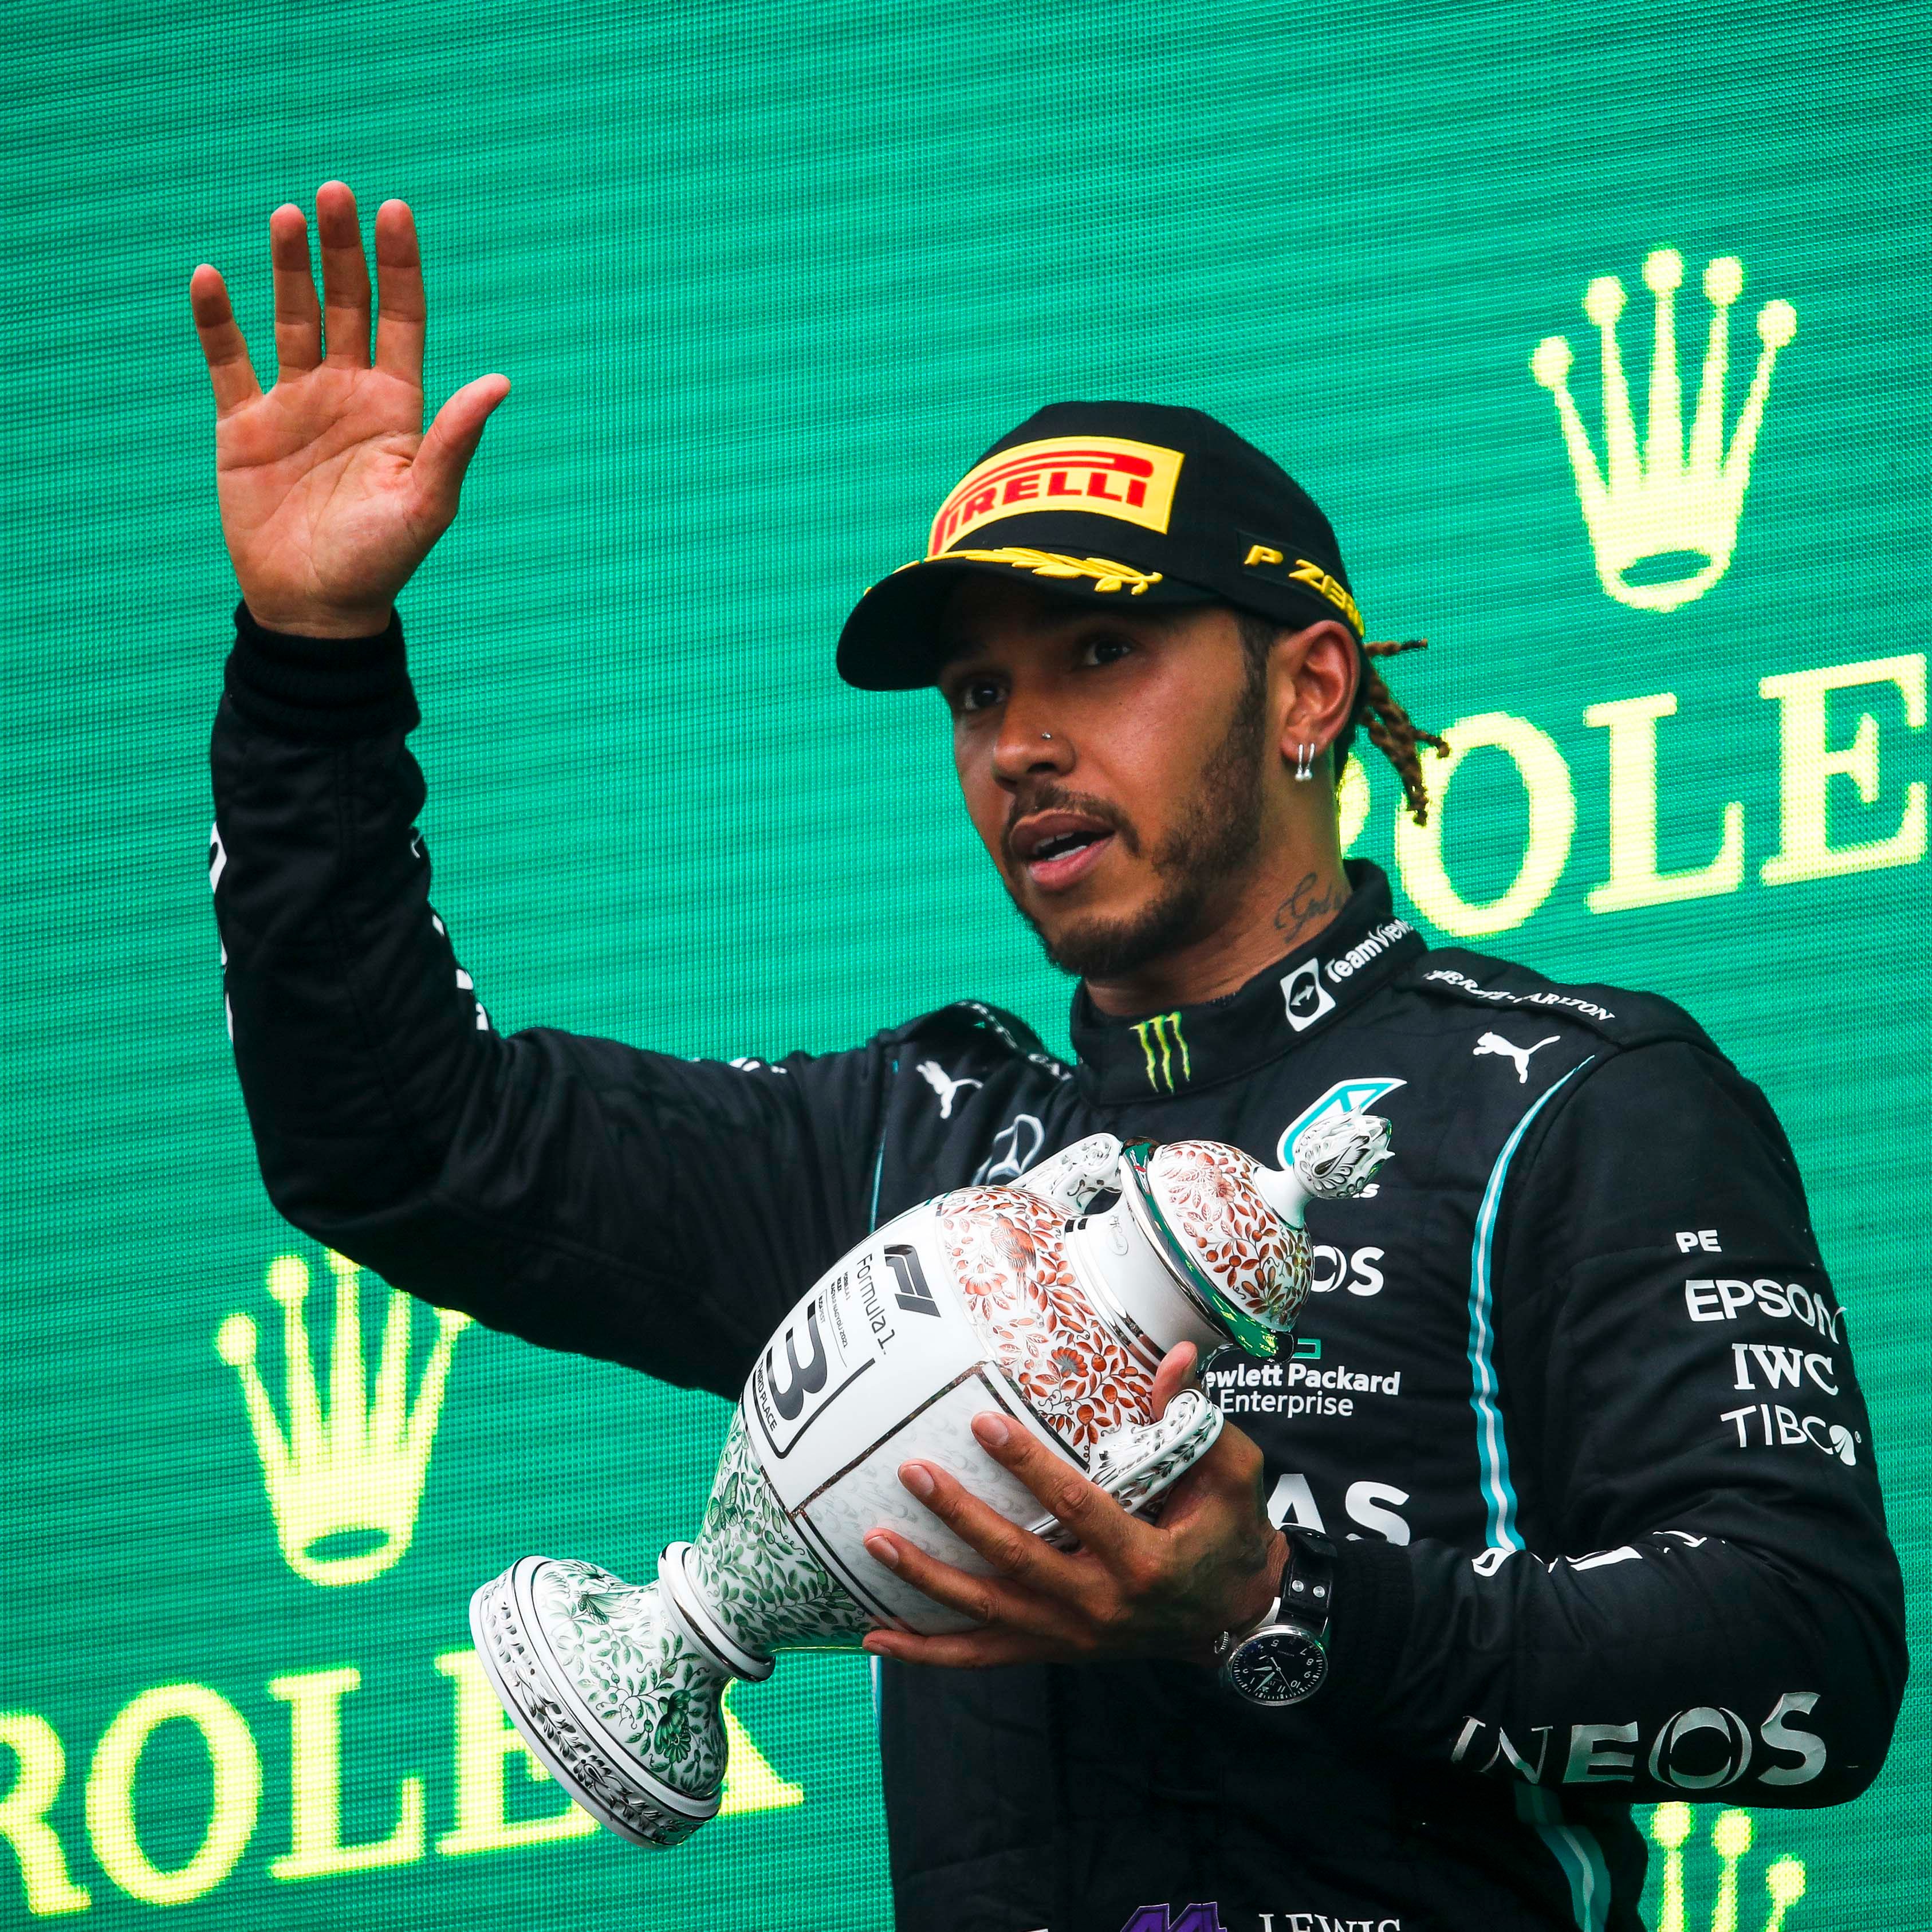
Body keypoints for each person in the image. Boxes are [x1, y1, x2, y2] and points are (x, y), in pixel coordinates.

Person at [191, 185, 1905, 1932]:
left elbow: (1812, 1660)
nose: (1022, 745)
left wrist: (1281, 1604)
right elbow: (398, 1139)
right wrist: (314, 669)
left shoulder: (1566, 1099)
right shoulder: (909, 1151)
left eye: (1099, 653)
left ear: (1311, 692)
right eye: (977, 694)